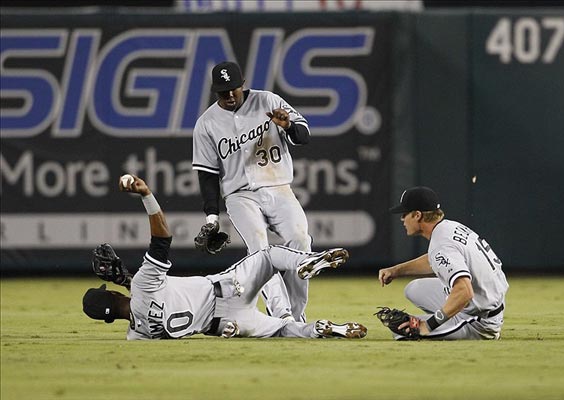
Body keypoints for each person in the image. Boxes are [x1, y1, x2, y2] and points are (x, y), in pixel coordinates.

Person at [82, 175, 367, 341]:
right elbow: (161, 239)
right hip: (228, 288)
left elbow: (145, 306)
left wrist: (126, 281)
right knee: (267, 256)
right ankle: (303, 261)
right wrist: (146, 195)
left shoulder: (139, 336)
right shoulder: (143, 284)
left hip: (227, 325)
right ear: (113, 295)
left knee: (282, 330)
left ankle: (316, 329)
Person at [192, 61, 312, 322]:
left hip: (279, 187)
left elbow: (304, 135)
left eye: (234, 89)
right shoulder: (206, 123)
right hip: (239, 195)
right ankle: (281, 314)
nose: (230, 95)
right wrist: (211, 217)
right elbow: (207, 173)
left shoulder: (268, 100)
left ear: (243, 83)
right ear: (215, 92)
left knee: (301, 242)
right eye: (224, 92)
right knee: (259, 248)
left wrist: (288, 126)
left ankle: (295, 313)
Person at [377, 186, 509, 340]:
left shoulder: (442, 244)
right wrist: (396, 270)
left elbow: (464, 291)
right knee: (413, 289)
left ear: (417, 215)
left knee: (402, 334)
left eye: (404, 214)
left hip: (478, 321)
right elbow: (436, 259)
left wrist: (428, 325)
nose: (402, 219)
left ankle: (455, 320)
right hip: (485, 299)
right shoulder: (448, 227)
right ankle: (451, 312)